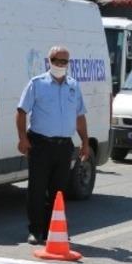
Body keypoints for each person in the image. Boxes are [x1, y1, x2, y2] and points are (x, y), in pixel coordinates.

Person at [16, 45, 91, 246]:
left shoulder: (73, 86)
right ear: (49, 61)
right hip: (40, 144)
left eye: (64, 61)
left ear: (69, 63)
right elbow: (21, 111)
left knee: (58, 190)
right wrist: (23, 138)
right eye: (57, 60)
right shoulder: (37, 84)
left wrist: (85, 142)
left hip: (64, 146)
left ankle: (53, 229)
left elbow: (80, 116)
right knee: (37, 189)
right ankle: (35, 230)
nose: (60, 64)